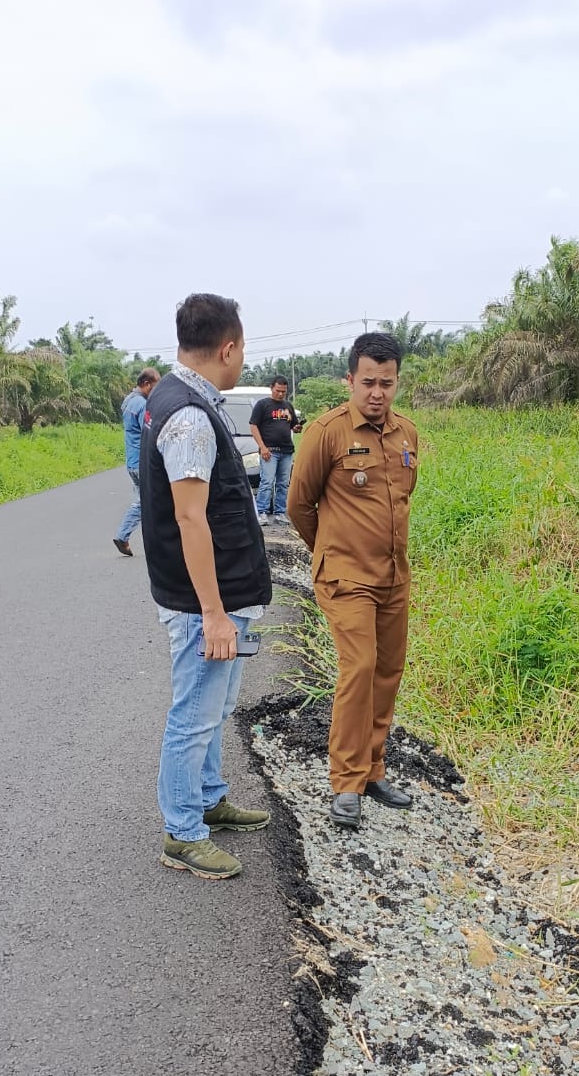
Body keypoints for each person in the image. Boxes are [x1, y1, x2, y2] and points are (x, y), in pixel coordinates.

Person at [139, 293, 272, 880]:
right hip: (203, 605)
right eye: (242, 347)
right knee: (194, 713)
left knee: (213, 710)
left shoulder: (184, 399)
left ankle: (210, 798)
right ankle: (182, 831)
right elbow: (190, 517)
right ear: (229, 347)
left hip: (218, 597)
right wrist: (214, 612)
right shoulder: (190, 415)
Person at [287, 332, 418, 831]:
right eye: (368, 382)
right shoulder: (327, 432)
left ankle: (373, 770)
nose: (377, 393)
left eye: (387, 383)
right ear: (350, 380)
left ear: (397, 382)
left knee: (388, 671)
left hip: (393, 577)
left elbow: (402, 501)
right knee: (359, 667)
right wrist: (330, 551)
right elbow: (300, 504)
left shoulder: (406, 434)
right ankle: (345, 782)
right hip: (345, 576)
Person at [113, 368, 161, 555]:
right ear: (147, 384)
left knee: (146, 500)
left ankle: (152, 540)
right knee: (147, 501)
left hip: (132, 461)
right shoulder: (141, 405)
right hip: (142, 461)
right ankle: (123, 535)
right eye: (155, 386)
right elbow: (149, 432)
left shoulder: (128, 401)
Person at [250, 375, 302, 526]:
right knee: (267, 481)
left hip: (286, 450)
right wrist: (262, 447)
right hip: (269, 451)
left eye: (283, 392)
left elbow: (293, 425)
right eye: (278, 390)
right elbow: (253, 426)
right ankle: (262, 512)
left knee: (283, 483)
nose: (280, 394)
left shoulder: (287, 406)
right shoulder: (263, 405)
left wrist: (297, 427)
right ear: (271, 388)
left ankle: (280, 512)